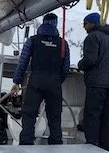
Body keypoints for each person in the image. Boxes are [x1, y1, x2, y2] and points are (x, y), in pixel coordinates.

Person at [11, 13, 70, 145]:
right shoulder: (63, 43)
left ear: (43, 23)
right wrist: (57, 80)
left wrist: (17, 81)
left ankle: (26, 143)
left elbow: (23, 62)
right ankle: (56, 145)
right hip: (54, 83)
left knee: (29, 114)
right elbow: (65, 68)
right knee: (55, 118)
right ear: (55, 24)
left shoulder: (33, 40)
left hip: (36, 82)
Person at [76, 12, 109, 151]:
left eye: (85, 23)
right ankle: (105, 145)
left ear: (91, 24)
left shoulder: (92, 37)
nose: (84, 27)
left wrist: (80, 65)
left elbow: (90, 60)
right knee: (107, 115)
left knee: (93, 113)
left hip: (97, 82)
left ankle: (92, 144)